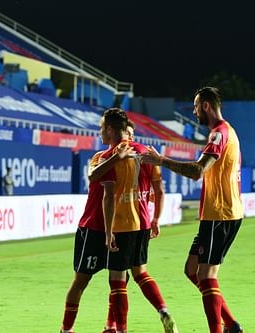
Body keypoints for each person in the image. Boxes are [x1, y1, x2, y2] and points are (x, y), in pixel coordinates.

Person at [141, 87, 244, 333]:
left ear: (207, 106)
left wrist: (162, 161)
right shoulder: (227, 131)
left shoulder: (218, 135)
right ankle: (231, 324)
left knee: (207, 276)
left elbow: (198, 171)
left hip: (220, 213)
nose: (195, 111)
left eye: (196, 106)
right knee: (192, 270)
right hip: (218, 213)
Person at [90, 120, 178, 333]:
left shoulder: (109, 156)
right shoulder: (147, 154)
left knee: (117, 280)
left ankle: (120, 329)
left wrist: (108, 231)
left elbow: (108, 195)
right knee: (140, 273)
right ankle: (163, 311)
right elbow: (159, 191)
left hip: (121, 224)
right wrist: (156, 219)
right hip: (143, 223)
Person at [59, 130, 133, 333]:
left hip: (119, 229)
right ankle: (66, 329)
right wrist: (117, 157)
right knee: (81, 280)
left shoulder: (132, 163)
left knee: (120, 279)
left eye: (132, 136)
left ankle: (110, 326)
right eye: (128, 135)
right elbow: (95, 178)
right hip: (93, 229)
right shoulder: (100, 157)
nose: (130, 140)